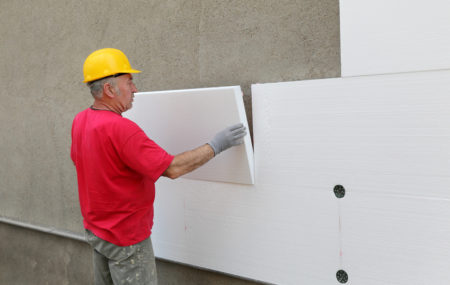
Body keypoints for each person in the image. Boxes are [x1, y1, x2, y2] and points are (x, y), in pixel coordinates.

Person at [71, 48, 247, 285]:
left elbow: (87, 164)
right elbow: (172, 168)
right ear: (109, 89)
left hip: (98, 233)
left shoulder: (80, 120)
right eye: (129, 82)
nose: (135, 89)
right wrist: (215, 145)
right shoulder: (121, 129)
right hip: (126, 239)